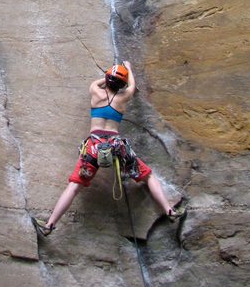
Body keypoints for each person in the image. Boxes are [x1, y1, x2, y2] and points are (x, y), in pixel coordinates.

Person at [32, 61, 184, 236]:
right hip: (116, 145)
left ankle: (50, 224)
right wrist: (128, 69)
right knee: (147, 176)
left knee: (74, 186)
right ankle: (169, 211)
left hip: (94, 147)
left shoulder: (95, 92)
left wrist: (110, 75)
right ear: (122, 85)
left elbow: (99, 83)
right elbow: (132, 86)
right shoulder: (123, 98)